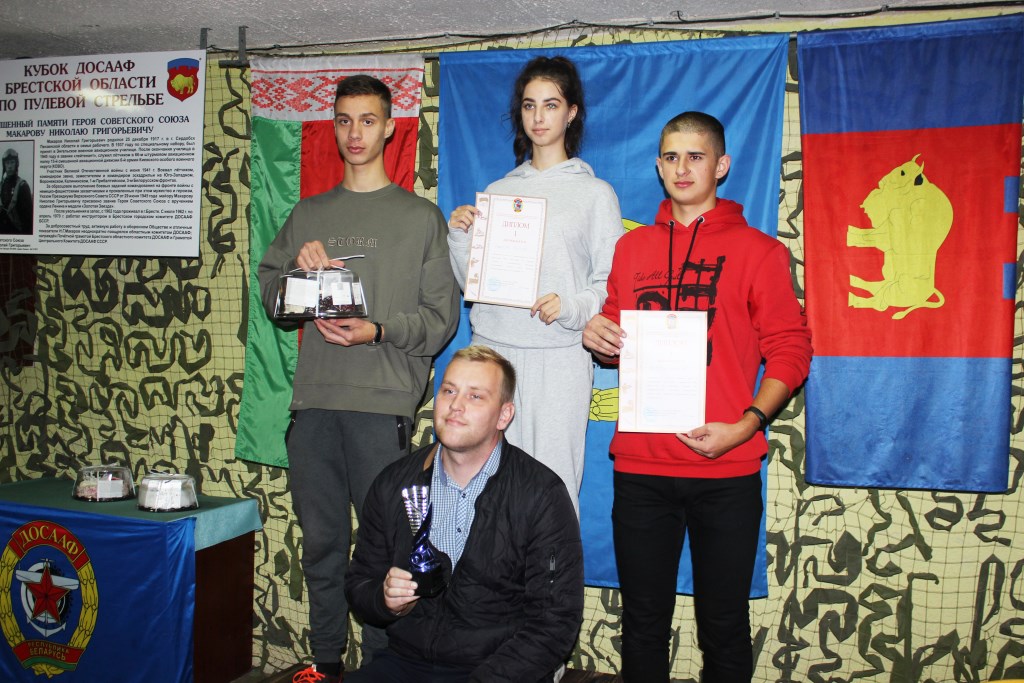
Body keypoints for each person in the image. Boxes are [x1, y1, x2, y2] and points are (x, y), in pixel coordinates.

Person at [583, 112, 812, 682]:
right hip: (641, 468)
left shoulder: (759, 251)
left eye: (695, 156)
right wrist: (600, 337)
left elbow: (791, 349)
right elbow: (615, 339)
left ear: (721, 165)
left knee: (724, 624)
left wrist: (748, 424)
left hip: (726, 468)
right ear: (658, 166)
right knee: (642, 623)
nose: (681, 168)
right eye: (670, 157)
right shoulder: (631, 249)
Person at [258, 74, 460, 683]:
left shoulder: (422, 218)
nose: (355, 133)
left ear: (390, 127)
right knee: (320, 546)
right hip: (314, 406)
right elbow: (272, 301)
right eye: (344, 120)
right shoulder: (309, 214)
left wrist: (376, 330)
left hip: (383, 409)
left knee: (385, 552)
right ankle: (325, 664)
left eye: (368, 120)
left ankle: (380, 668)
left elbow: (441, 322)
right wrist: (298, 272)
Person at [447, 55, 623, 515]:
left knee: (552, 490)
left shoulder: (595, 194)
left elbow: (610, 284)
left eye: (551, 105)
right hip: (492, 351)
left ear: (571, 113)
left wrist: (570, 306)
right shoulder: (498, 192)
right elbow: (473, 284)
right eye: (529, 106)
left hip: (558, 357)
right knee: (481, 489)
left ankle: (552, 568)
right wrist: (461, 236)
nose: (539, 117)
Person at [345, 345, 584, 682]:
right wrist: (384, 600)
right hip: (405, 663)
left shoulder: (541, 494)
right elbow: (360, 582)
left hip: (501, 672)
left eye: (475, 396)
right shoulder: (394, 483)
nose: (456, 405)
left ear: (504, 415)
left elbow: (555, 623)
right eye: (449, 391)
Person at [0, 148, 32, 235]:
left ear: (16, 164)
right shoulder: (1, 185)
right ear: (4, 165)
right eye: (7, 163)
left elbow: (28, 219)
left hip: (17, 233)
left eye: (12, 162)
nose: (9, 166)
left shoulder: (23, 186)